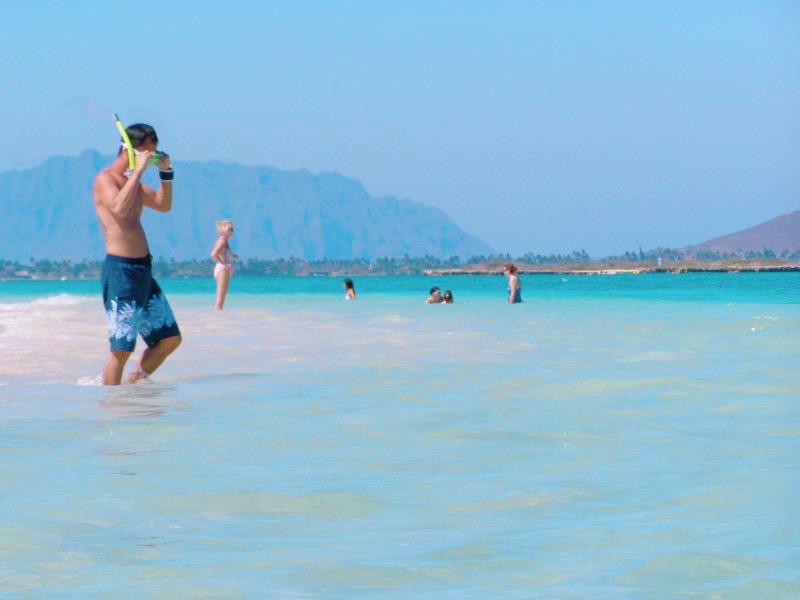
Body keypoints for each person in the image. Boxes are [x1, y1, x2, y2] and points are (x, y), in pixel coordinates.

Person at [92, 122, 181, 385]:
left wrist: (165, 172)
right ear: (132, 150)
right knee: (121, 349)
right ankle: (111, 404)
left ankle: (133, 388)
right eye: (149, 152)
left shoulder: (135, 184)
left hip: (143, 270)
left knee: (169, 339)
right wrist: (139, 170)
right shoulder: (105, 179)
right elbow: (119, 209)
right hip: (121, 271)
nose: (151, 157)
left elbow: (164, 205)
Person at [211, 220, 238, 310]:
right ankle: (217, 319)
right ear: (224, 230)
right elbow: (214, 254)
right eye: (230, 229)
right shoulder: (222, 241)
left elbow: (222, 254)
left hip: (223, 270)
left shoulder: (224, 241)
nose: (232, 231)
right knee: (220, 300)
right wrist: (225, 264)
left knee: (221, 299)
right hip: (222, 270)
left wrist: (232, 256)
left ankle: (219, 317)